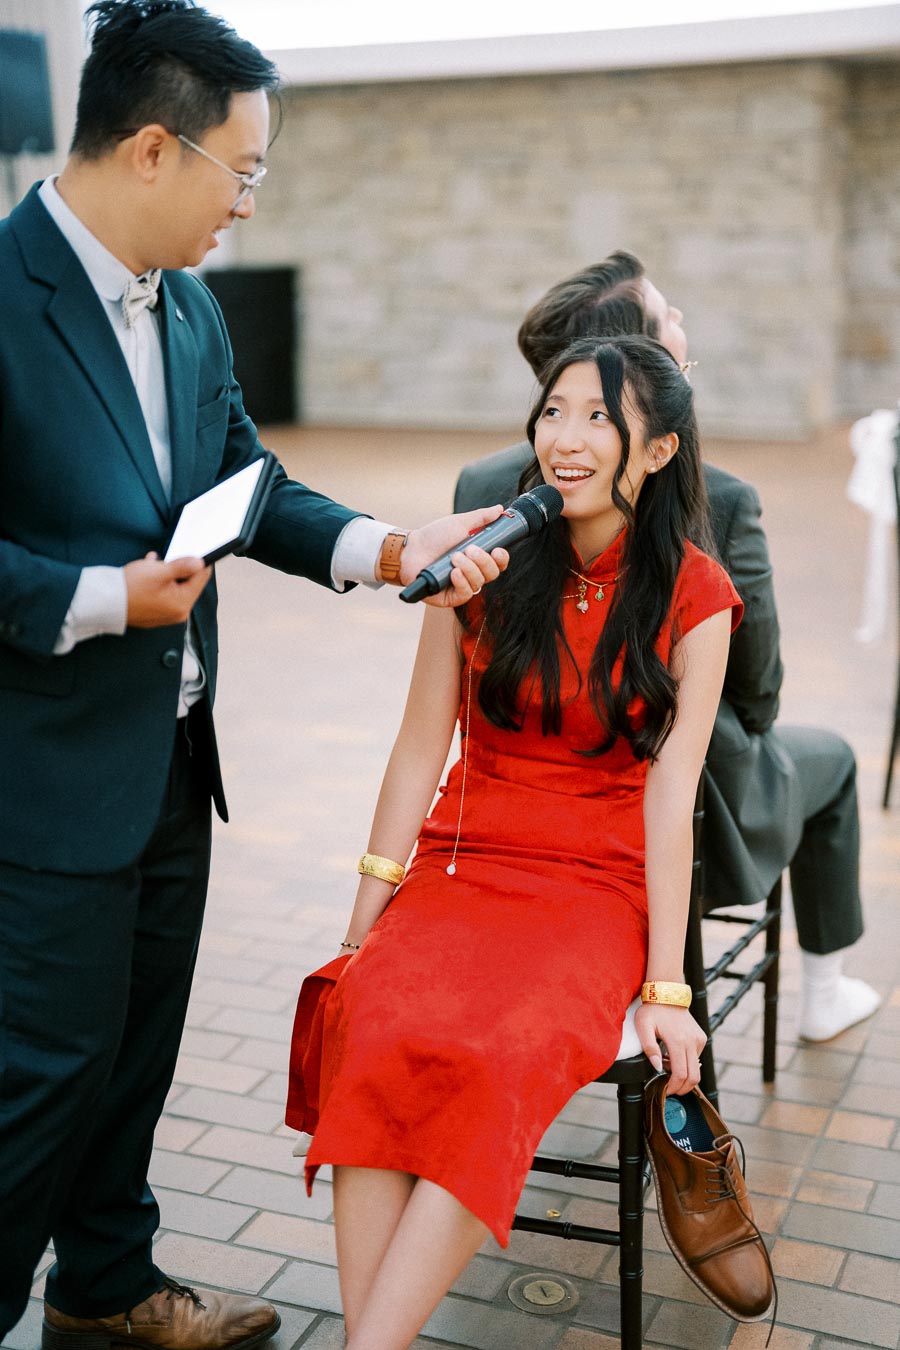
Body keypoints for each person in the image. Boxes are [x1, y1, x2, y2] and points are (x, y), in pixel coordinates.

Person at [0, 4, 508, 1346]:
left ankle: (108, 1286)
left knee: (131, 1059)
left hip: (170, 763)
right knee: (35, 1082)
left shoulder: (195, 311)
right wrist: (104, 599)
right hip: (38, 782)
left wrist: (390, 544)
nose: (248, 203)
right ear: (155, 149)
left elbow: (250, 486)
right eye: (247, 171)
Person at [291, 335, 744, 1350]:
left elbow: (673, 800)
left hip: (595, 889)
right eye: (553, 411)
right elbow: (418, 749)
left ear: (659, 449)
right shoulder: (484, 556)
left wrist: (667, 990)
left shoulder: (697, 594)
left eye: (598, 417)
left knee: (497, 1055)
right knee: (370, 1018)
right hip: (464, 861)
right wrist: (364, 922)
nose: (565, 439)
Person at [455, 253, 880, 1045]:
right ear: (641, 361)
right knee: (832, 757)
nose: (682, 322)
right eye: (667, 313)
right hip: (679, 812)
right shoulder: (716, 494)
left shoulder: (483, 482)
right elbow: (757, 692)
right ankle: (825, 991)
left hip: (518, 810)